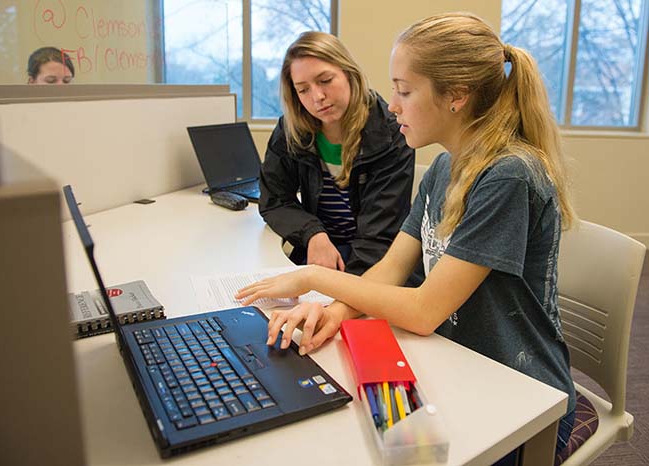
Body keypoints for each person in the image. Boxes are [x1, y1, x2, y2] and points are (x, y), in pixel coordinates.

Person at [238, 13, 576, 461]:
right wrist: (336, 312)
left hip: (524, 394)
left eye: (404, 90)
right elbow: (391, 269)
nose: (392, 105)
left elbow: (422, 311)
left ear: (456, 95)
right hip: (459, 361)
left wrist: (312, 281)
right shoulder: (441, 168)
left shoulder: (507, 176)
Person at [260, 31, 415, 275]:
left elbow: (378, 237)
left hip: (376, 261)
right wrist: (313, 234)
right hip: (321, 251)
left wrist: (338, 295)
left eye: (325, 80)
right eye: (303, 90)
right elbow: (275, 201)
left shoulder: (391, 133)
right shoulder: (290, 130)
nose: (318, 97)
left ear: (349, 73)